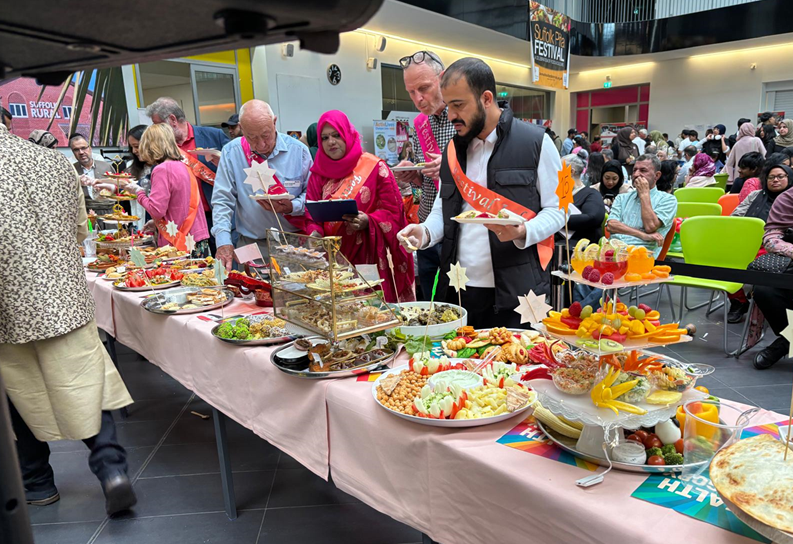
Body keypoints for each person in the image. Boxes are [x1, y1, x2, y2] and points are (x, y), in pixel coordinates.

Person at [0, 122, 136, 515]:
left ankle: (38, 483)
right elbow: (80, 230)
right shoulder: (54, 162)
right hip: (65, 295)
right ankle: (112, 471)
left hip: (9, 305)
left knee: (19, 393)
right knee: (87, 382)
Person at [397, 58, 564, 328]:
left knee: (519, 366)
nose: (450, 115)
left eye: (458, 105)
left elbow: (559, 209)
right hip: (460, 288)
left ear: (486, 98)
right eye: (448, 105)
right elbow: (445, 208)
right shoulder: (453, 149)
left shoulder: (535, 142)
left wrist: (524, 231)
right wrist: (425, 232)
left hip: (520, 289)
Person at [303, 111, 415, 303]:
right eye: (325, 137)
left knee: (372, 313)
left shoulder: (375, 167)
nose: (331, 142)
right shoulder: (318, 174)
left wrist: (368, 221)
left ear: (347, 134)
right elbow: (310, 214)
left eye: (336, 135)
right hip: (332, 260)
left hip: (369, 257)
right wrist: (314, 233)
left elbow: (394, 213)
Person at [211, 100, 312, 269]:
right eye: (252, 137)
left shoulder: (298, 151)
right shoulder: (232, 152)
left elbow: (312, 195)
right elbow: (222, 200)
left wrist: (291, 206)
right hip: (251, 244)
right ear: (241, 128)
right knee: (251, 293)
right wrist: (223, 241)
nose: (261, 144)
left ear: (274, 122)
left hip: (294, 242)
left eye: (266, 135)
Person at [393, 51, 455, 301]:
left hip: (457, 229)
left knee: (455, 304)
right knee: (430, 303)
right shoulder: (420, 123)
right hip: (427, 223)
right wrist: (413, 175)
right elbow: (427, 181)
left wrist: (449, 169)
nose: (418, 98)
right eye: (411, 92)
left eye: (424, 88)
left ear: (442, 79)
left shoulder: (461, 118)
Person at [146, 97, 230, 251]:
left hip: (218, 216)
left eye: (158, 124)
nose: (156, 130)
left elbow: (235, 171)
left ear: (172, 120)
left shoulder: (214, 136)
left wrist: (220, 163)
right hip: (185, 225)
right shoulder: (164, 151)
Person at [121, 124, 211, 257]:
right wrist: (159, 223)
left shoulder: (161, 169)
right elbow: (180, 205)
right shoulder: (183, 166)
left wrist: (138, 192)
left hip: (178, 242)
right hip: (197, 237)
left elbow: (157, 210)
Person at [727, 164, 793, 323]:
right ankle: (739, 301)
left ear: (789, 178)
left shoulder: (789, 200)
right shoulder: (755, 195)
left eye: (780, 176)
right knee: (725, 259)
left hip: (775, 248)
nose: (775, 180)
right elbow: (734, 217)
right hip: (747, 242)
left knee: (756, 266)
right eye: (771, 177)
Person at [752, 179, 793, 369]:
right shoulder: (787, 198)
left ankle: (784, 343)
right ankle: (789, 338)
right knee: (763, 289)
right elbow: (771, 238)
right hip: (790, 260)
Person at [607, 154, 677, 257]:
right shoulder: (622, 198)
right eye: (634, 170)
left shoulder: (668, 200)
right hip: (612, 253)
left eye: (643, 171)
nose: (636, 174)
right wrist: (643, 235)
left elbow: (650, 227)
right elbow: (611, 225)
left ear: (656, 176)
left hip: (641, 257)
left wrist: (644, 195)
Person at [560, 154, 605, 243]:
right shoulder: (559, 195)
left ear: (571, 171)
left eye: (559, 170)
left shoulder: (591, 194)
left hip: (581, 247)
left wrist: (556, 221)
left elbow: (593, 217)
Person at [69, 133, 116, 216]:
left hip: (108, 215)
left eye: (83, 148)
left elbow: (118, 190)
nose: (81, 152)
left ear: (90, 148)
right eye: (76, 150)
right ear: (73, 152)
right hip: (83, 216)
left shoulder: (106, 167)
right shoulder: (71, 171)